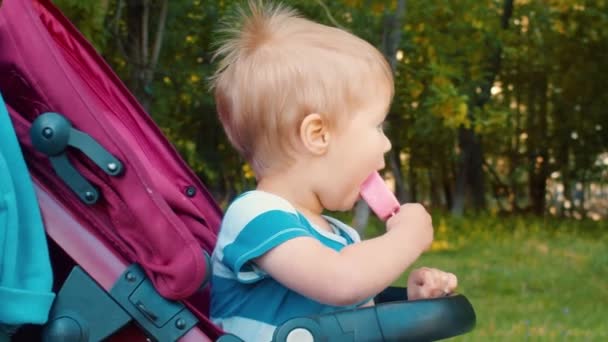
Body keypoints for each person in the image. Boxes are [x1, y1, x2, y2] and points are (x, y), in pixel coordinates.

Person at [209, 1, 457, 340]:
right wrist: (406, 237)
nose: (385, 145)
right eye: (377, 126)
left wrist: (412, 301)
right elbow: (342, 282)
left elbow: (358, 320)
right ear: (318, 135)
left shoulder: (343, 238)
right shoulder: (255, 214)